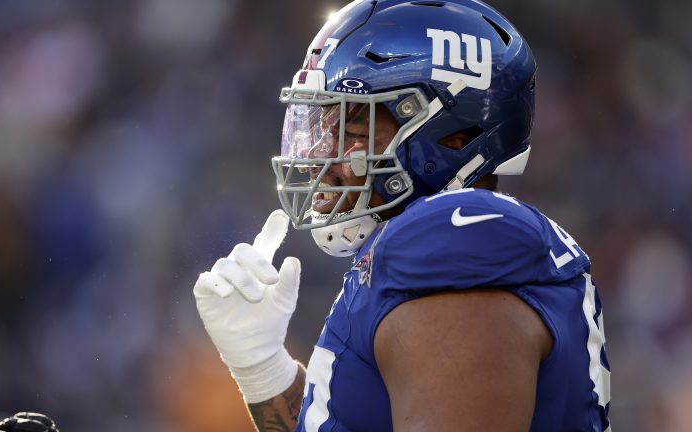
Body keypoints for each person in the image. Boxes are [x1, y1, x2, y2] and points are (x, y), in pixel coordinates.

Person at [194, 0, 612, 430]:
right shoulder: (422, 250)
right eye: (324, 127)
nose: (321, 154)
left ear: (452, 137)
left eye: (354, 131)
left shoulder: (459, 235)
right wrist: (264, 370)